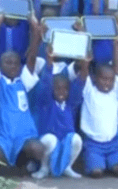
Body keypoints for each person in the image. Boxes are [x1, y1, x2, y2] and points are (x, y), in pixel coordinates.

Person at [0, 15, 45, 175]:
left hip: (23, 136)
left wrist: (36, 33)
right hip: (1, 136)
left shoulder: (23, 81)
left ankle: (21, 166)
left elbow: (31, 57)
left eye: (16, 63)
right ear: (0, 64)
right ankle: (6, 171)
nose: (13, 66)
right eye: (8, 62)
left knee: (38, 149)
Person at [78, 39, 118, 178]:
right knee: (97, 173)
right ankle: (99, 163)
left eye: (110, 80)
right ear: (95, 78)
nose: (107, 83)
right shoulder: (90, 91)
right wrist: (86, 61)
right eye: (103, 79)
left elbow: (117, 68)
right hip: (93, 144)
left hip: (112, 144)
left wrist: (115, 44)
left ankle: (110, 162)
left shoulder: (115, 92)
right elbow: (84, 73)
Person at [31, 47, 83, 179]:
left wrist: (86, 65)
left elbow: (80, 83)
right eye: (57, 89)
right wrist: (49, 63)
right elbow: (46, 84)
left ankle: (67, 167)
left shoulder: (70, 104)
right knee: (51, 140)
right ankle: (44, 168)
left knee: (76, 139)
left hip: (64, 140)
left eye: (65, 89)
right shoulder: (46, 103)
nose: (61, 92)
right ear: (52, 90)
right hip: (48, 140)